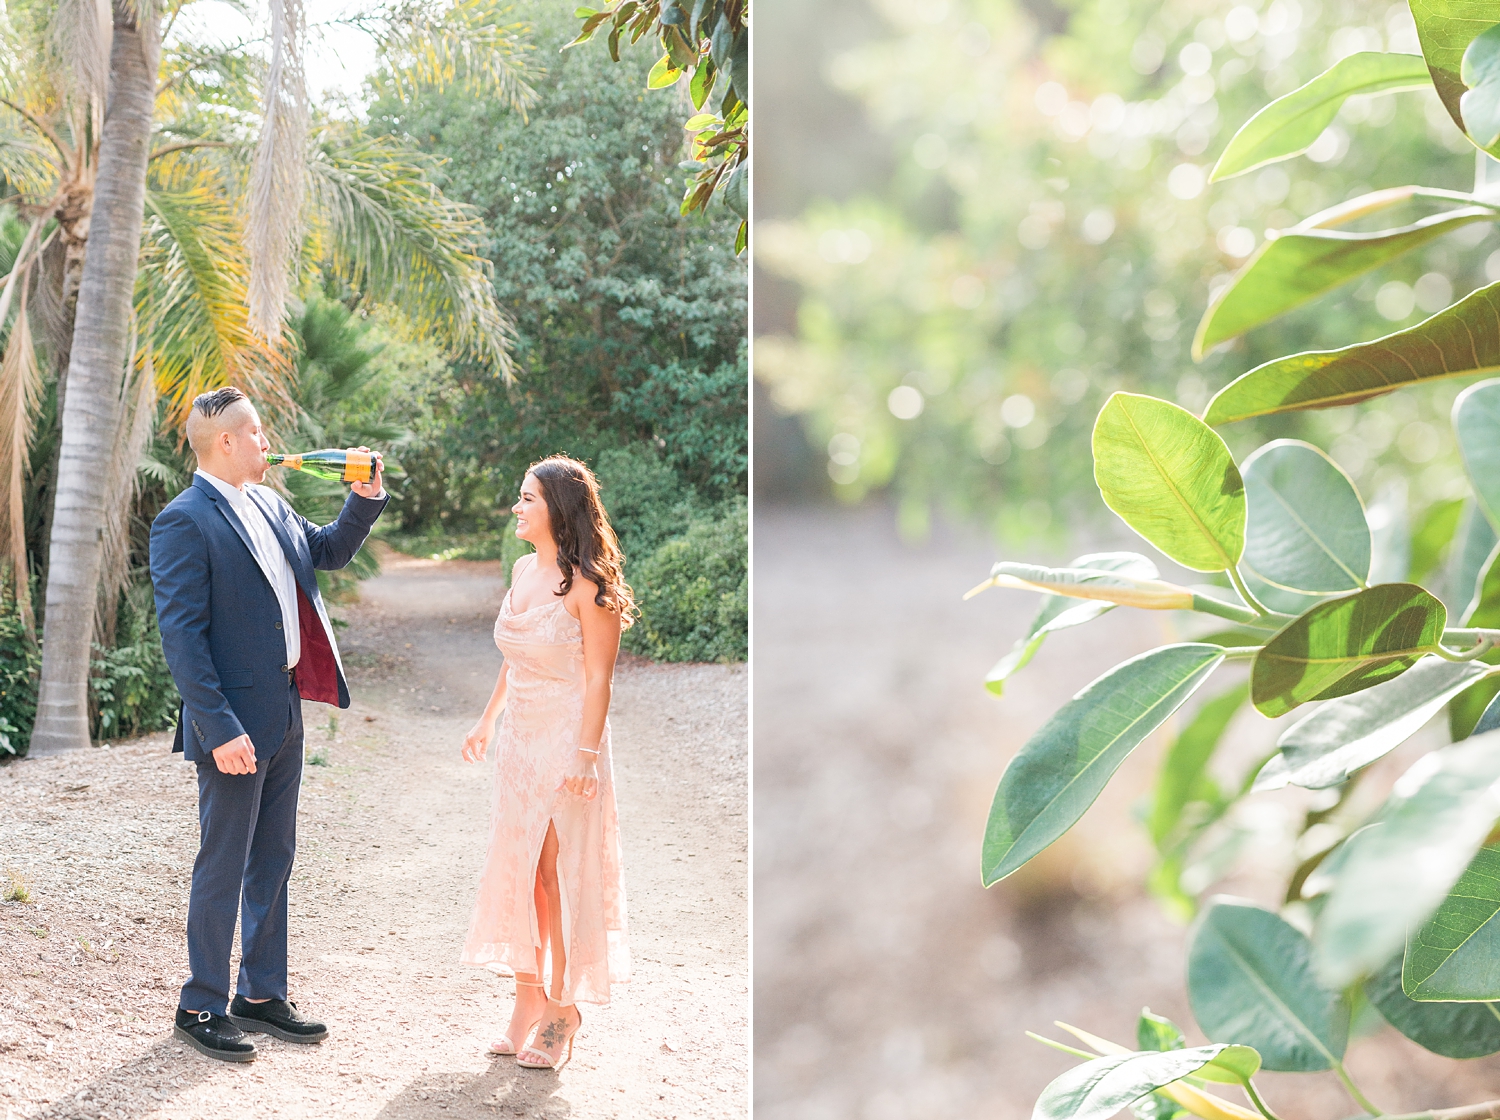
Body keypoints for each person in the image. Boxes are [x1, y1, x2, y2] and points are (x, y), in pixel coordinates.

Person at [149, 387, 387, 1063]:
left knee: (275, 858)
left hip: (285, 707)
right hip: (232, 723)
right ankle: (199, 1004)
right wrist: (218, 727)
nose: (266, 440)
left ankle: (260, 994)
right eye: (255, 432)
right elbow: (183, 638)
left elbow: (330, 552)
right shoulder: (183, 521)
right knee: (223, 862)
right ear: (225, 442)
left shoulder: (272, 503)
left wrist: (364, 500)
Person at [461, 455, 633, 1070]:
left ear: (557, 511)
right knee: (524, 873)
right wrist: (488, 718)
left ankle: (564, 1008)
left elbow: (599, 680)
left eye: (528, 498)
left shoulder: (590, 585)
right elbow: (518, 657)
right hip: (520, 744)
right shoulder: (521, 570)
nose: (517, 507)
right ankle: (526, 998)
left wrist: (586, 756)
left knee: (561, 880)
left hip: (568, 743)